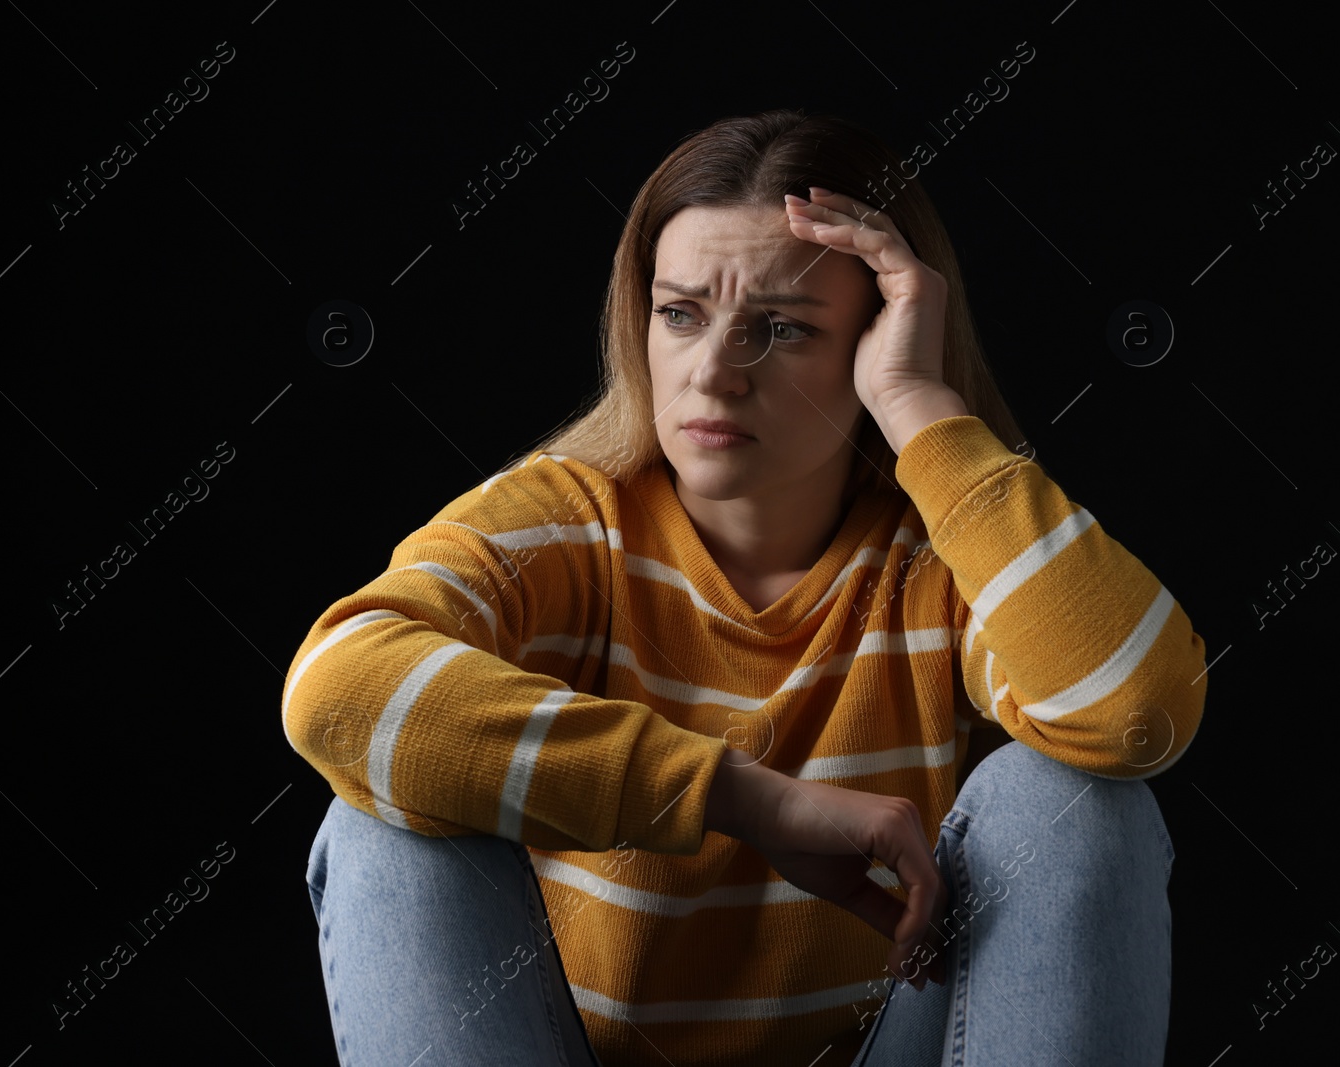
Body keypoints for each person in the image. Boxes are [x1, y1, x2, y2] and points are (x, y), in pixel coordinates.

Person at [286, 109, 1206, 1066]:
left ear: (876, 342)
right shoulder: (565, 524)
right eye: (680, 313)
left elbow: (1136, 715)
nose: (714, 375)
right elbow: (335, 688)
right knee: (383, 817)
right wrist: (751, 801)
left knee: (1076, 798)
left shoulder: (940, 562)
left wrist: (921, 408)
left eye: (782, 328)